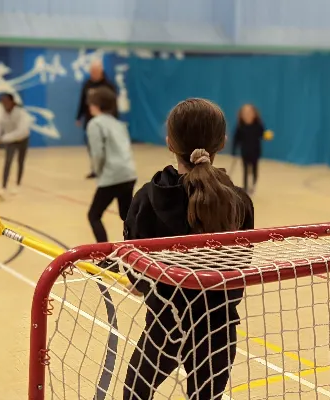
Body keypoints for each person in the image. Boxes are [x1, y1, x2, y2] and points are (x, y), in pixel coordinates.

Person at [122, 98, 254, 400]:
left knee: (134, 394)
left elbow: (136, 270)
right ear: (222, 141)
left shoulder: (147, 197)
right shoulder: (239, 200)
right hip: (218, 328)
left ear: (170, 143)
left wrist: (141, 283)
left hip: (166, 327)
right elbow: (240, 262)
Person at [86, 87, 136, 243]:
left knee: (94, 215)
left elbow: (98, 154)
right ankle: (136, 249)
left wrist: (97, 171)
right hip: (128, 174)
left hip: (112, 175)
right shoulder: (118, 124)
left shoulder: (95, 124)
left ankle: (105, 257)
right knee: (126, 216)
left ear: (95, 105)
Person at [0, 93, 34, 197]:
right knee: (8, 161)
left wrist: (5, 138)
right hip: (9, 140)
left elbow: (22, 131)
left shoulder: (21, 113)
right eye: (2, 102)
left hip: (22, 138)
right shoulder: (0, 114)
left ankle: (18, 185)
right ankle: (3, 187)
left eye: (6, 101)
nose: (4, 104)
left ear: (12, 102)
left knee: (20, 161)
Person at [76, 59, 117, 179]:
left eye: (96, 71)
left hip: (106, 122)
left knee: (106, 145)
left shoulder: (109, 86)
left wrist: (114, 119)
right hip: (90, 120)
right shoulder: (87, 84)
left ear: (101, 71)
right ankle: (95, 169)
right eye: (91, 71)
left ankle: (108, 169)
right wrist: (79, 116)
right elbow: (82, 101)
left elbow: (114, 104)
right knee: (92, 145)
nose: (93, 73)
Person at [232, 104, 265, 194]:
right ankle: (246, 188)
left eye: (250, 112)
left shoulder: (258, 125)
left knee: (254, 168)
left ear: (254, 114)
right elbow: (236, 139)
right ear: (241, 115)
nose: (247, 115)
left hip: (255, 151)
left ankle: (253, 184)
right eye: (245, 113)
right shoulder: (240, 127)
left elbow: (262, 134)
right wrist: (234, 151)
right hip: (245, 152)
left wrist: (265, 135)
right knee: (245, 169)